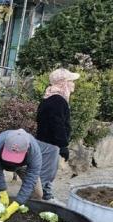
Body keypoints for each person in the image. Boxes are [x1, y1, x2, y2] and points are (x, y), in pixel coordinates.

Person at [0, 129, 44, 221]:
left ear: (27, 148)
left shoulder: (35, 153)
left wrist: (17, 203)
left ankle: (29, 219)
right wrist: (3, 192)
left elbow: (30, 180)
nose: (11, 160)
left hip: (23, 165)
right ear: (5, 144)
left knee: (38, 194)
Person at [36, 68, 79, 203]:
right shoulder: (57, 101)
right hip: (50, 144)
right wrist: (62, 145)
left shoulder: (49, 98)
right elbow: (57, 124)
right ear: (63, 83)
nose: (74, 84)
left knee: (45, 170)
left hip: (45, 142)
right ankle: (43, 199)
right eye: (71, 81)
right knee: (47, 172)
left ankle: (41, 196)